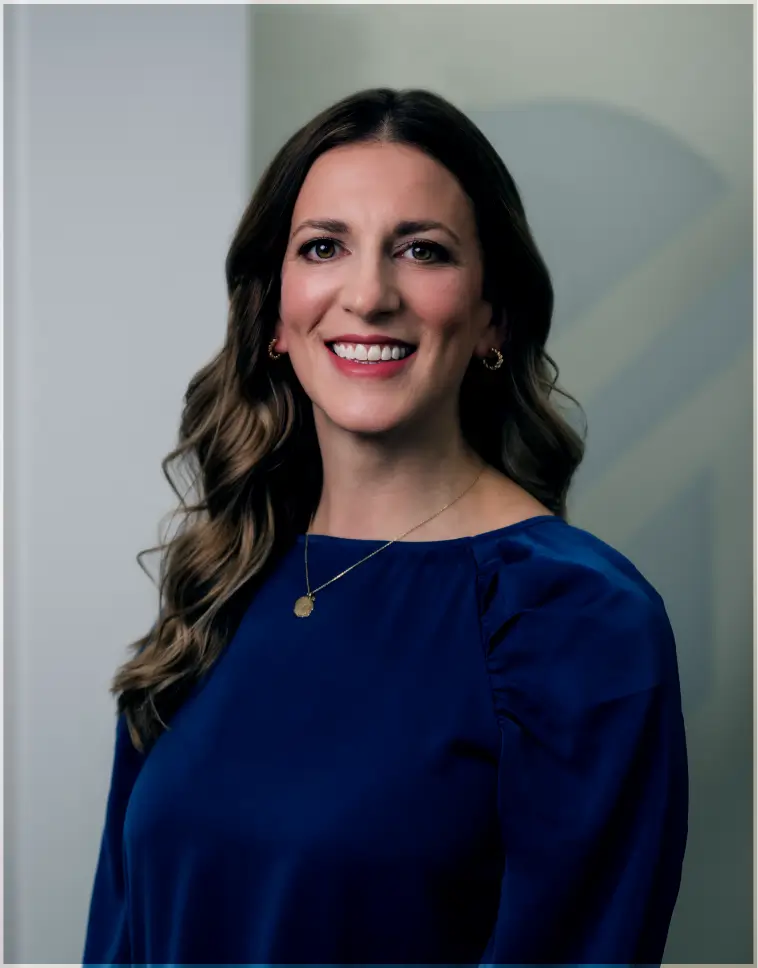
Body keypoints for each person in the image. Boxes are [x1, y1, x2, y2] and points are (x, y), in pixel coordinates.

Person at [82, 87, 688, 967]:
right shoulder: (220, 581)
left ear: (493, 315)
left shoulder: (577, 617)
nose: (368, 294)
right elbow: (122, 938)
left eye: (422, 251)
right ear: (276, 315)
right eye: (325, 247)